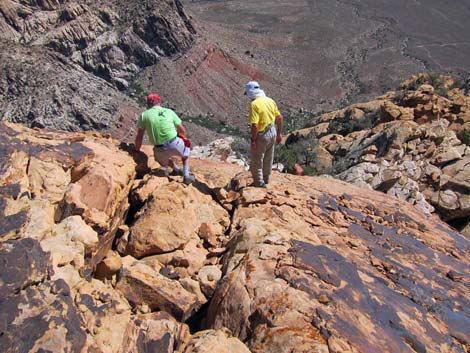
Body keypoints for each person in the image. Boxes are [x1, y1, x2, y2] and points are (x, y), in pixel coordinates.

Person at [134, 93, 195, 185]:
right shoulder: (169, 111)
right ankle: (186, 175)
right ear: (159, 102)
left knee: (163, 160)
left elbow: (139, 136)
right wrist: (182, 137)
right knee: (186, 154)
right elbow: (182, 129)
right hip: (174, 143)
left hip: (159, 149)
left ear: (148, 104)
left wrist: (137, 150)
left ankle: (176, 170)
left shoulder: (144, 115)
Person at [244, 81, 283, 187]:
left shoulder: (254, 104)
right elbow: (279, 118)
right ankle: (266, 179)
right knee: (268, 158)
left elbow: (255, 125)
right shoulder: (270, 101)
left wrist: (253, 140)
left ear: (250, 93)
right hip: (273, 131)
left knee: (257, 159)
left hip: (262, 135)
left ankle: (259, 183)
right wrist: (279, 134)